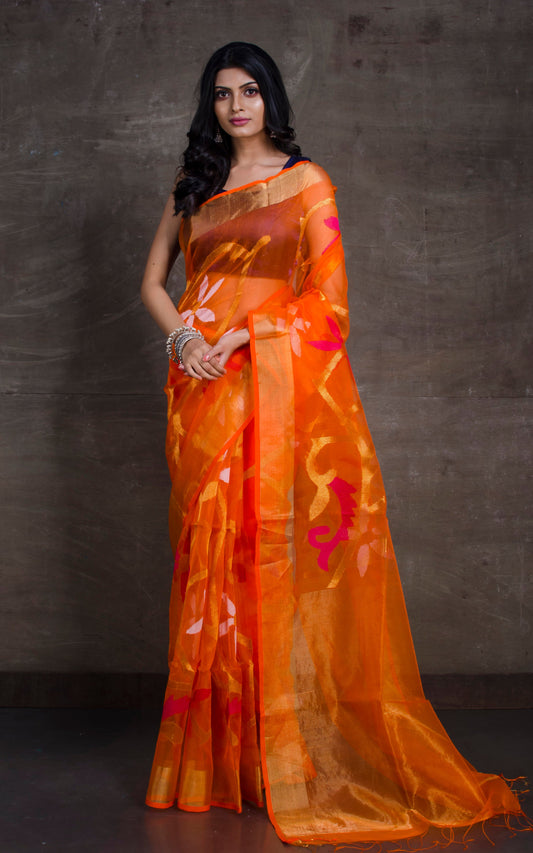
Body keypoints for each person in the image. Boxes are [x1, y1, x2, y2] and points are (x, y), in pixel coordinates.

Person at [140, 42, 531, 849]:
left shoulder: (306, 182)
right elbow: (151, 283)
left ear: (270, 98)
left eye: (250, 91)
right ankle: (214, 761)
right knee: (210, 562)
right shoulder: (193, 185)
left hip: (267, 386)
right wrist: (187, 341)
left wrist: (245, 334)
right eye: (222, 93)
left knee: (260, 557)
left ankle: (276, 757)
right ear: (209, 104)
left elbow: (331, 301)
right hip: (201, 389)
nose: (236, 105)